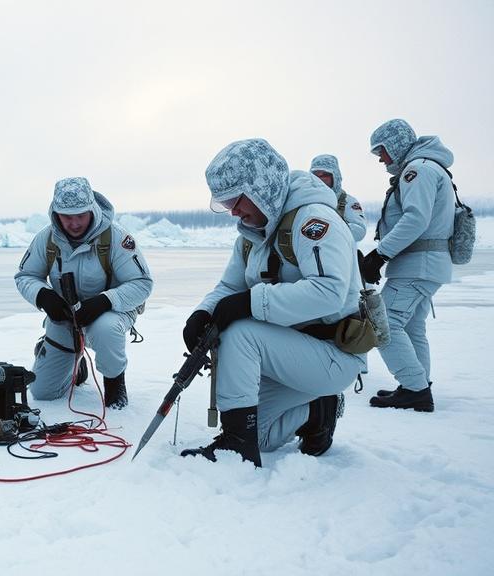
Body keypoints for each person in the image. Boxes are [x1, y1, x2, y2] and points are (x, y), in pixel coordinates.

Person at [180, 139, 366, 467]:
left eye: (236, 200)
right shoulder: (253, 235)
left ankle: (236, 447)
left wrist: (249, 303)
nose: (233, 212)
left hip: (332, 352)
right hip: (290, 351)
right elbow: (230, 286)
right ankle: (318, 410)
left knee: (239, 334)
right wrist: (203, 313)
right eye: (225, 203)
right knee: (261, 435)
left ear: (262, 186)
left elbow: (329, 291)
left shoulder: (313, 221)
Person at [14, 176, 152, 409]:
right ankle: (76, 367)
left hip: (112, 312)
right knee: (43, 393)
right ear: (56, 213)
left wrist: (106, 301)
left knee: (105, 328)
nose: (75, 223)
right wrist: (43, 296)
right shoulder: (45, 239)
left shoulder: (117, 238)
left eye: (80, 215)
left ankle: (115, 386)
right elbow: (25, 276)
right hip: (65, 317)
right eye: (67, 217)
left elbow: (142, 284)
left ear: (91, 209)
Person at [361, 119, 455, 412]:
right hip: (425, 264)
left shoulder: (418, 170)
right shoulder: (428, 167)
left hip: (418, 264)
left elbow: (416, 219)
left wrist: (379, 255)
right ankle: (417, 384)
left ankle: (415, 389)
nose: (380, 158)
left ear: (397, 144)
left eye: (382, 150)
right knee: (412, 327)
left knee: (384, 324)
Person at [310, 154, 367, 242]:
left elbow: (359, 231)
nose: (320, 179)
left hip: (337, 249)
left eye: (325, 175)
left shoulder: (347, 201)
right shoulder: (306, 200)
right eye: (316, 175)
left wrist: (328, 231)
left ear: (335, 176)